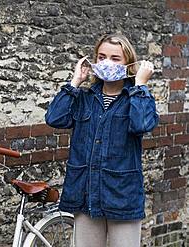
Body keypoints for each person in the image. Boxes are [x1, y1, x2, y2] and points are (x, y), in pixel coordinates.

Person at [45, 34, 159, 247]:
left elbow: (142, 124)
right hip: (86, 194)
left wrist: (140, 85)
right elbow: (54, 118)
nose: (107, 63)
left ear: (129, 64)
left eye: (115, 58)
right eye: (102, 56)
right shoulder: (84, 98)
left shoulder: (137, 98)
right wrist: (75, 82)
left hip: (122, 197)